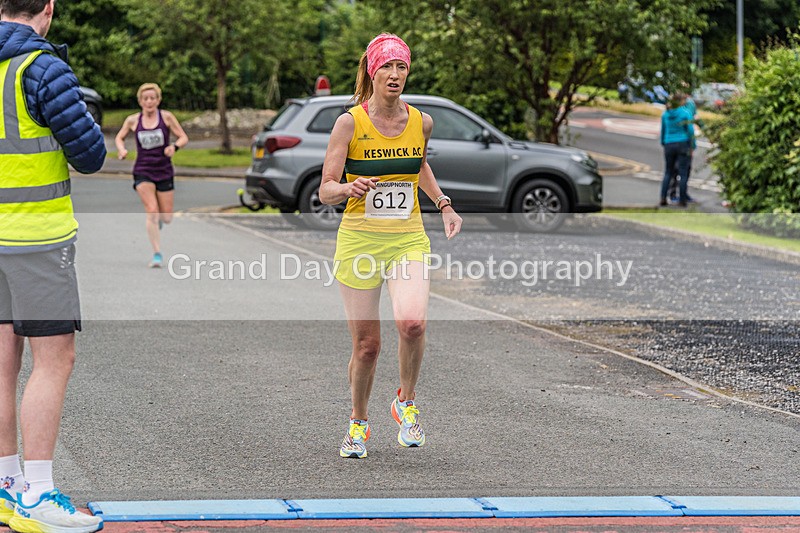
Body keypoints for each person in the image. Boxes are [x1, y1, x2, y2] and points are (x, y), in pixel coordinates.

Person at [320, 33, 462, 459]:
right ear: (373, 71)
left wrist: (444, 204)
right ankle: (359, 423)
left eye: (402, 67)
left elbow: (418, 166)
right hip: (360, 241)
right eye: (388, 67)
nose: (395, 75)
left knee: (413, 323)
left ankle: (405, 402)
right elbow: (325, 189)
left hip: (407, 238)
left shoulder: (421, 121)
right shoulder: (349, 123)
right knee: (367, 345)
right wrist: (348, 188)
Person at [0, 1, 105, 531]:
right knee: (54, 360)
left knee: (1, 363)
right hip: (37, 240)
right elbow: (89, 154)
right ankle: (38, 495)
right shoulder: (42, 68)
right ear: (48, 8)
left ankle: (5, 485)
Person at [114, 83, 188, 268]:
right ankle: (157, 253)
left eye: (152, 98)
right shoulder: (132, 120)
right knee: (152, 210)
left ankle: (159, 222)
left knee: (167, 217)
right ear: (140, 101)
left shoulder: (167, 117)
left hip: (163, 170)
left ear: (158, 100)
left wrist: (174, 147)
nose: (149, 102)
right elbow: (119, 137)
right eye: (145, 99)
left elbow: (183, 137)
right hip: (143, 170)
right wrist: (122, 150)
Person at [659, 92, 695, 207]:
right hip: (682, 143)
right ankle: (682, 199)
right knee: (683, 173)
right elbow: (690, 131)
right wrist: (692, 146)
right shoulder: (685, 113)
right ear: (680, 101)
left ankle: (663, 197)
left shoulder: (665, 114)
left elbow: (663, 131)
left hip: (669, 143)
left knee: (668, 172)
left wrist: (663, 143)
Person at [667, 90, 702, 203]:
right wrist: (692, 146)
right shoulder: (677, 108)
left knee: (684, 171)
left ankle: (682, 194)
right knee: (677, 171)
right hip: (682, 143)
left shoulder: (690, 104)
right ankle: (674, 194)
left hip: (677, 143)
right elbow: (690, 128)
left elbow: (695, 120)